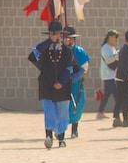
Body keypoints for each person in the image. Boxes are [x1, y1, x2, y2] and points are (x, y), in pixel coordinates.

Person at [28, 21, 77, 149]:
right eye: (51, 34)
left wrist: (61, 82)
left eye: (56, 34)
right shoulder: (44, 49)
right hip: (47, 85)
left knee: (62, 113)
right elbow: (32, 56)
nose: (54, 36)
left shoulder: (67, 51)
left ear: (61, 35)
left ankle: (61, 138)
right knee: (49, 111)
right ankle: (48, 137)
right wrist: (48, 42)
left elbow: (69, 68)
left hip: (62, 87)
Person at [63, 25, 89, 138]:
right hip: (62, 83)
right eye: (64, 37)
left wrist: (74, 78)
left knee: (75, 106)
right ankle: (60, 129)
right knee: (62, 106)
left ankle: (74, 129)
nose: (66, 39)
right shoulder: (60, 50)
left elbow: (85, 67)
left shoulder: (79, 51)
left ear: (73, 39)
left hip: (76, 83)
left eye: (68, 37)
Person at [96, 30, 119, 120]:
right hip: (107, 74)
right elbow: (109, 60)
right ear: (110, 37)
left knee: (107, 95)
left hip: (112, 74)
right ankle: (124, 109)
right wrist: (118, 56)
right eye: (115, 37)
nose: (116, 39)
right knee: (117, 94)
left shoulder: (112, 47)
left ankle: (100, 112)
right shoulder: (105, 48)